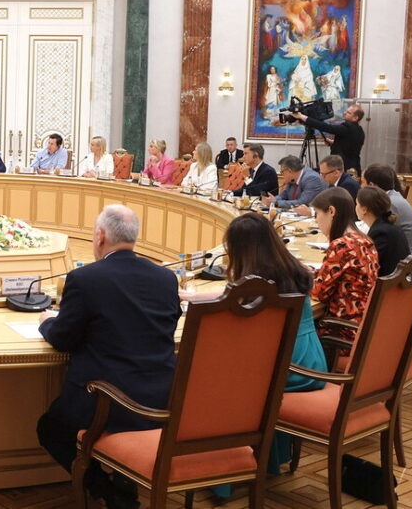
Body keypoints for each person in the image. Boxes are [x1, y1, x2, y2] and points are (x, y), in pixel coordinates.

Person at [36, 204, 180, 507]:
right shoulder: (166, 278)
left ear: (100, 236)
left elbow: (62, 339)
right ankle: (123, 482)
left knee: (51, 429)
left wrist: (46, 321)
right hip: (162, 398)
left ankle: (108, 491)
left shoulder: (85, 279)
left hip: (107, 403)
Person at [180, 213, 326, 494]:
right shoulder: (289, 270)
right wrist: (196, 297)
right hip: (310, 360)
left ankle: (219, 474)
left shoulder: (256, 285)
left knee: (210, 381)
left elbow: (234, 311)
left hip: (287, 369)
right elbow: (232, 294)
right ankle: (262, 460)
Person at [310, 187, 379, 339]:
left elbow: (318, 293)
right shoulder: (364, 240)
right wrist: (312, 273)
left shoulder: (342, 245)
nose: (316, 220)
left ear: (331, 211)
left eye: (317, 214)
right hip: (363, 327)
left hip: (342, 331)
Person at [361, 164, 412, 255]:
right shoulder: (392, 196)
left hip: (407, 257)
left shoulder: (390, 203)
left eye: (362, 182)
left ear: (371, 185)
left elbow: (379, 230)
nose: (361, 186)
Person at [292, 104, 366, 174]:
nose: (344, 113)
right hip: (354, 167)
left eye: (348, 113)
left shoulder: (347, 128)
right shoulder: (359, 130)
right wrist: (333, 143)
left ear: (355, 118)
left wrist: (302, 117)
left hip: (343, 168)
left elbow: (327, 127)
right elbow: (349, 145)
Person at [356, 187, 410, 276]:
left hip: (388, 283)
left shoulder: (380, 233)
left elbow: (368, 267)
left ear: (364, 210)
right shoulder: (390, 227)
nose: (356, 207)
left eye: (357, 204)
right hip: (398, 281)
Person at [261, 155, 326, 209]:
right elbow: (284, 195)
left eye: (282, 172)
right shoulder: (292, 178)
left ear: (290, 171)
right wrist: (272, 199)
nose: (282, 174)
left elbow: (302, 203)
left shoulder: (311, 178)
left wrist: (276, 202)